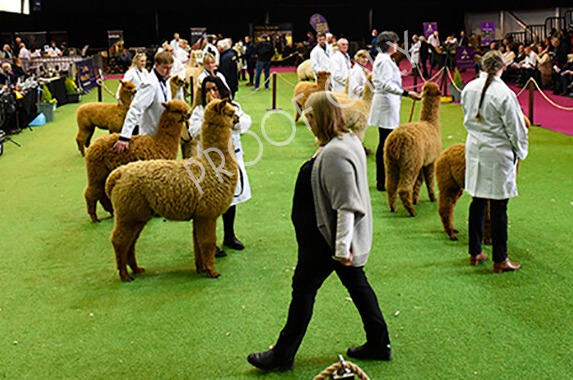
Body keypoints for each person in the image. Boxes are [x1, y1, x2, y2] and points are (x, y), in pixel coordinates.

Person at [247, 91, 391, 372]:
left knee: (302, 291)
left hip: (324, 240)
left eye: (309, 117)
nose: (307, 122)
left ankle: (283, 354)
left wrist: (340, 248)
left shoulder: (337, 152)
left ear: (320, 117)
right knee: (356, 286)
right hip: (329, 237)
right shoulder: (343, 142)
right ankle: (379, 342)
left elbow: (346, 204)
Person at [461, 50, 529, 273]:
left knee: (478, 201)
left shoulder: (469, 88)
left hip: (475, 149)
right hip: (497, 152)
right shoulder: (504, 93)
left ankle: (475, 251)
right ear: (503, 68)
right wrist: (520, 151)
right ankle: (500, 259)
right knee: (499, 206)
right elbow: (516, 128)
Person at [189, 76, 251, 256]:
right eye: (207, 90)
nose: (211, 93)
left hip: (232, 159)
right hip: (211, 162)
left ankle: (229, 236)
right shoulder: (200, 111)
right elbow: (194, 132)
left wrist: (235, 120)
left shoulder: (232, 107)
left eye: (215, 88)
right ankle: (210, 242)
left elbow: (245, 122)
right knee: (210, 203)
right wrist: (213, 122)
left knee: (230, 199)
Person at [368, 31, 421, 191]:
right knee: (386, 143)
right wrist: (406, 93)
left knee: (386, 142)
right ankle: (382, 181)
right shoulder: (384, 61)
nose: (398, 46)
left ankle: (385, 179)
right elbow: (385, 84)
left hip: (388, 103)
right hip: (385, 104)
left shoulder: (385, 59)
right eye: (395, 43)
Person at [113, 51, 176, 152]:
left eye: (170, 68)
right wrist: (125, 136)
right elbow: (135, 109)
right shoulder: (150, 84)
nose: (168, 71)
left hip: (163, 134)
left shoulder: (166, 80)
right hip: (150, 135)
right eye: (165, 68)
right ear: (156, 65)